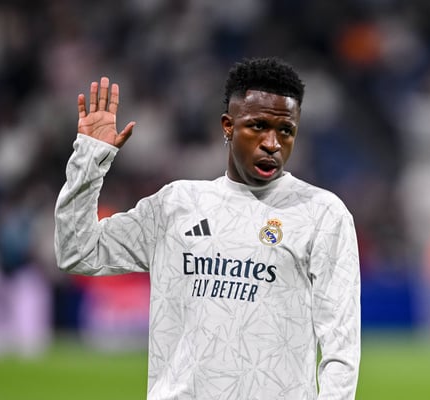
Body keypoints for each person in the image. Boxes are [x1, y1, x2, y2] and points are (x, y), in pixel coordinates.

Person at [54, 57, 360, 399]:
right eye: (258, 126)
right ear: (228, 126)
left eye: (286, 130)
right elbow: (77, 252)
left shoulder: (322, 214)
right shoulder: (176, 204)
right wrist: (90, 160)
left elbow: (341, 346)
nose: (272, 143)